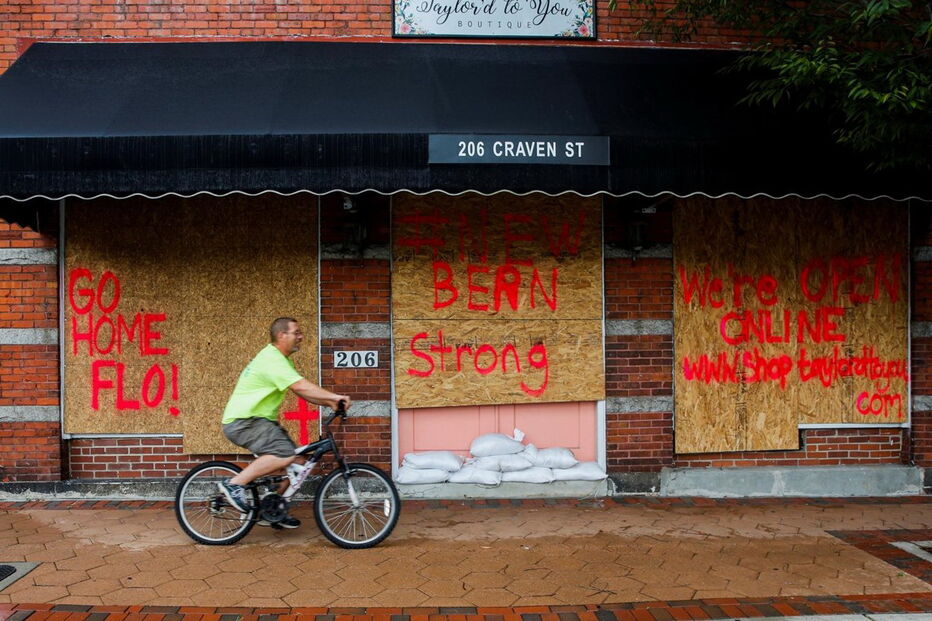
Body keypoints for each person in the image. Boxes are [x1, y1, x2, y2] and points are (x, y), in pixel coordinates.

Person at [218, 317, 351, 528]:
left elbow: (303, 393)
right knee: (285, 454)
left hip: (260, 421)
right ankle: (234, 484)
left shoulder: (280, 359)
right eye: (296, 332)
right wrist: (334, 398)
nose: (301, 337)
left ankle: (273, 510)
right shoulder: (272, 359)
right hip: (245, 421)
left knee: (299, 463)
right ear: (282, 335)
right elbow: (300, 386)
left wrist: (328, 402)